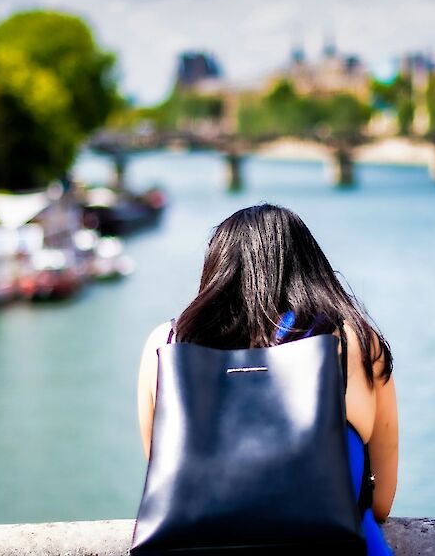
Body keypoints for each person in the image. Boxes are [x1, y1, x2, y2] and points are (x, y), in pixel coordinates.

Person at [137, 203, 398, 554]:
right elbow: (381, 502)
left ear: (216, 270)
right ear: (310, 268)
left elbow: (167, 477)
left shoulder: (166, 345)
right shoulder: (355, 342)